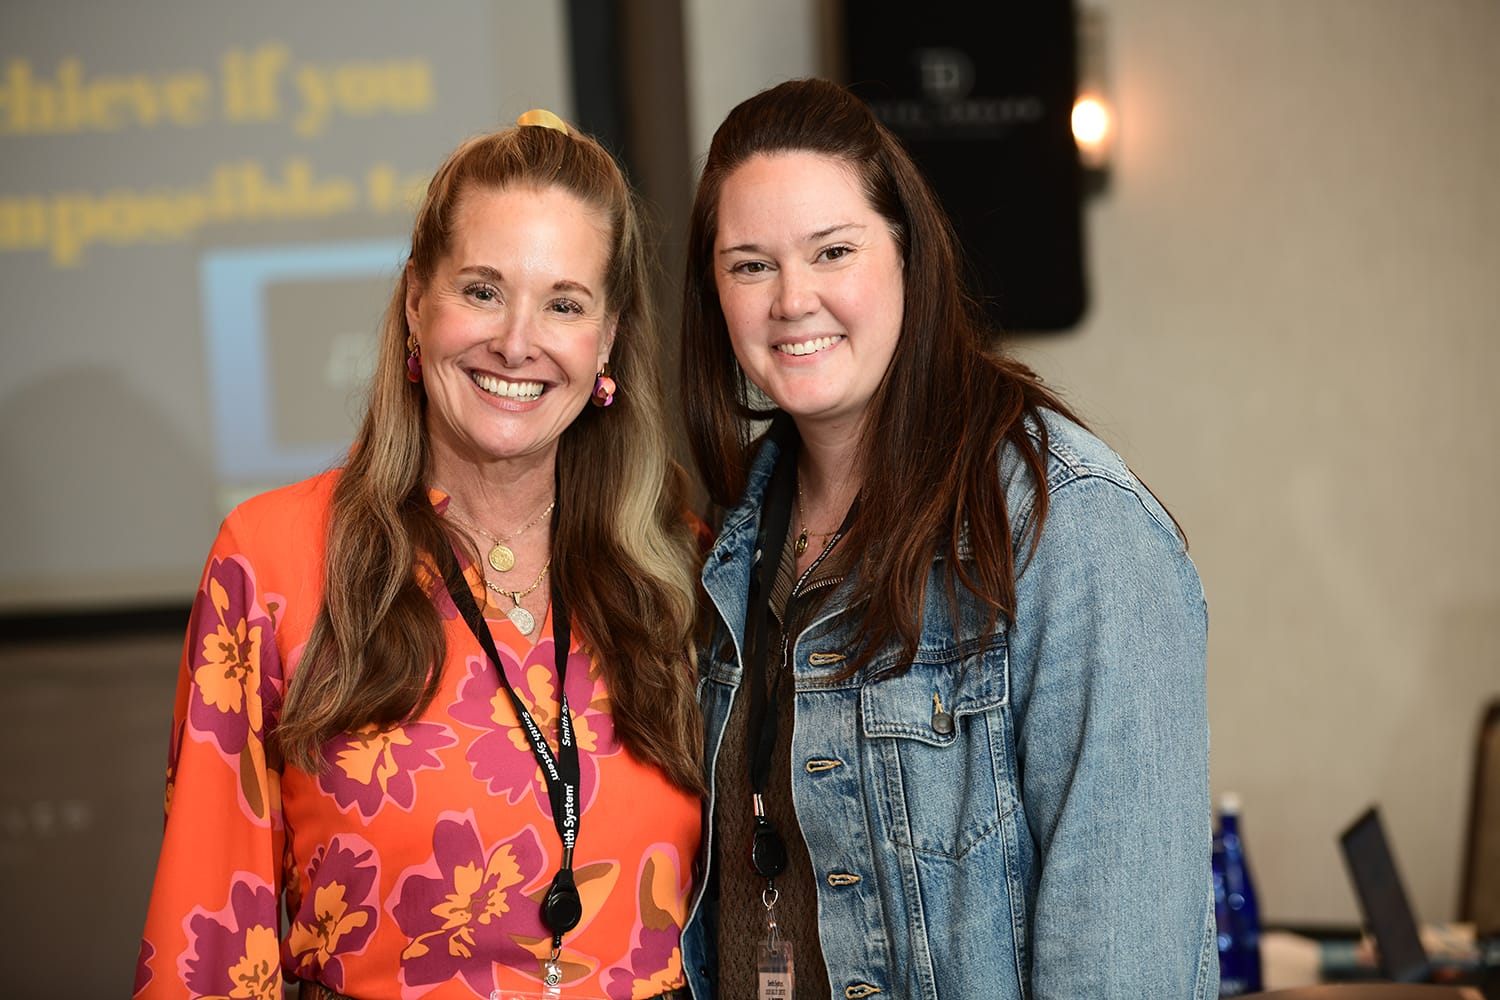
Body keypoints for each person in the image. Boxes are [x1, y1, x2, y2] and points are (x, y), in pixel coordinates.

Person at [136, 110, 704, 1000]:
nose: (517, 340)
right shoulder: (273, 561)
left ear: (607, 341)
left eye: (564, 304)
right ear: (415, 303)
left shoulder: (679, 568)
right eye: (482, 290)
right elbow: (206, 953)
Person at [677, 79, 1215, 999]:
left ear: (908, 257)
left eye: (833, 251)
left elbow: (1122, 966)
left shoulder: (1074, 528)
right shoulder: (724, 543)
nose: (792, 300)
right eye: (751, 265)